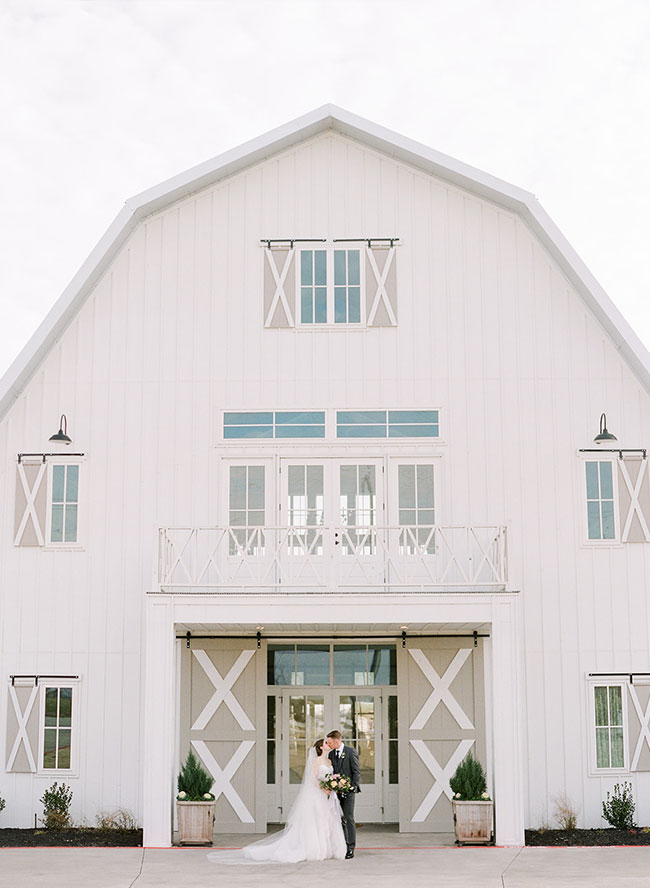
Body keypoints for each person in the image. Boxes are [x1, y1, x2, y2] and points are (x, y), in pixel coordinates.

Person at [207, 738, 346, 864]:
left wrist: (332, 786)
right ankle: (315, 849)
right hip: (318, 794)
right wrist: (324, 789)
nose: (329, 744)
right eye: (326, 743)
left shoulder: (329, 761)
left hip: (327, 796)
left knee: (325, 820)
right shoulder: (317, 761)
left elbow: (331, 776)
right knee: (315, 820)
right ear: (321, 747)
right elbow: (312, 779)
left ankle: (327, 849)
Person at [326, 730, 361, 859]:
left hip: (349, 791)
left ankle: (350, 847)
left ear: (337, 741)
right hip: (335, 792)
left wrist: (352, 786)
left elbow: (356, 771)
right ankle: (340, 845)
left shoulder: (350, 752)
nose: (329, 745)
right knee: (337, 819)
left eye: (330, 743)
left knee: (348, 818)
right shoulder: (331, 754)